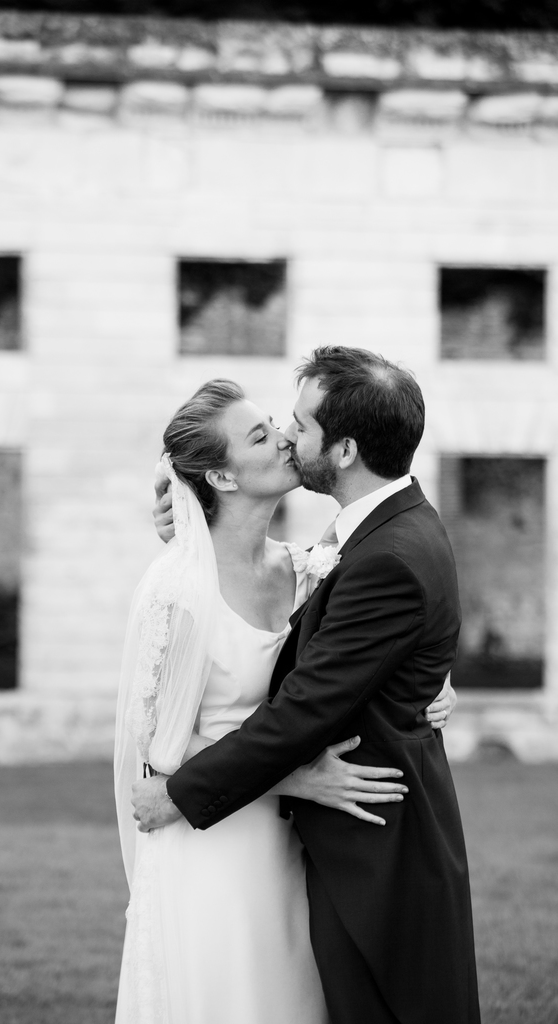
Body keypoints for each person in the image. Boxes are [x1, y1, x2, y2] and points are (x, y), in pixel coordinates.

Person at [132, 347, 480, 1024]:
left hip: (369, 850)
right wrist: (185, 506)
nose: (288, 436)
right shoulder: (355, 541)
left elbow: (303, 708)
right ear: (220, 477)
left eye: (294, 424)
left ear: (344, 450)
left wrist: (177, 793)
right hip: (269, 843)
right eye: (269, 428)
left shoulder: (374, 554)